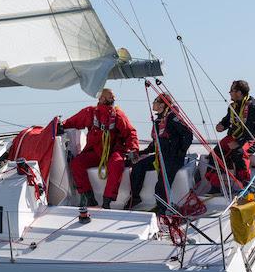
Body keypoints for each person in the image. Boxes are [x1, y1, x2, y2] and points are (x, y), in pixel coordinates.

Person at [61, 88, 139, 217]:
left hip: (114, 151)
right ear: (101, 98)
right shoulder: (90, 113)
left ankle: (107, 201)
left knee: (117, 164)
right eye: (110, 97)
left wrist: (133, 150)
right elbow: (73, 121)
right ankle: (88, 198)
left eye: (113, 97)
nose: (113, 99)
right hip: (96, 152)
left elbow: (130, 133)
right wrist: (60, 126)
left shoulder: (118, 115)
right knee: (77, 164)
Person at [128, 93, 193, 213]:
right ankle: (135, 198)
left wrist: (181, 151)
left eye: (155, 101)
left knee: (162, 182)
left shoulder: (173, 118)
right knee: (138, 166)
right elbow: (156, 143)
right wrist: (142, 152)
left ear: (162, 105)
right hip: (160, 156)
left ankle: (161, 208)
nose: (153, 103)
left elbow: (188, 134)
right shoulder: (158, 121)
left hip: (173, 157)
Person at [204, 80, 255, 193]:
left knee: (239, 153)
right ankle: (215, 187)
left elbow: (252, 131)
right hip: (234, 137)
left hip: (252, 138)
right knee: (215, 154)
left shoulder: (254, 108)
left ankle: (246, 186)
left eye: (232, 90)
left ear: (239, 92)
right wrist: (221, 125)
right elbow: (227, 120)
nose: (229, 92)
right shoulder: (232, 107)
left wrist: (238, 142)